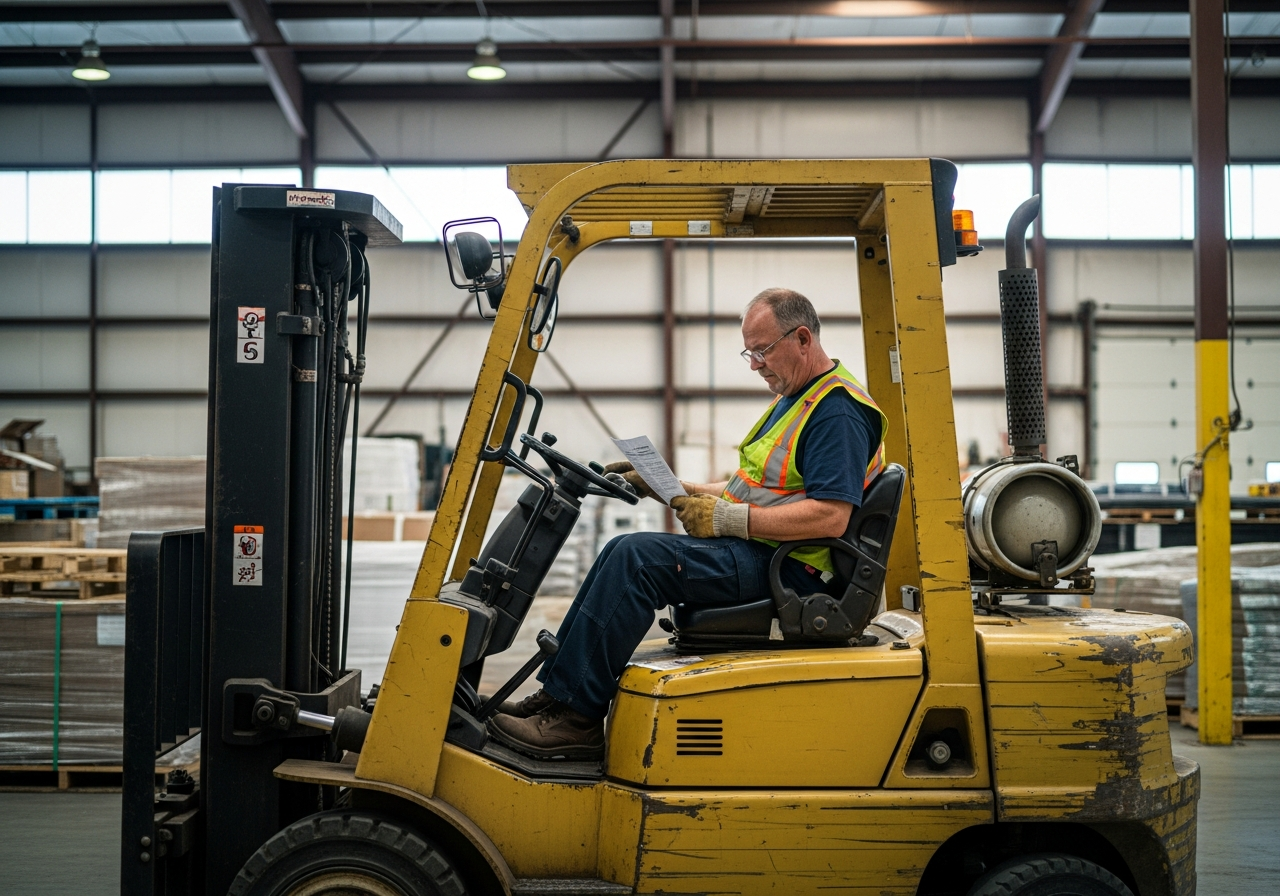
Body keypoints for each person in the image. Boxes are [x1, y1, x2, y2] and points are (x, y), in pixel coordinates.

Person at [488, 287, 888, 760]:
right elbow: (749, 489)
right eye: (750, 354)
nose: (756, 364)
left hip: (793, 569)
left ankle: (577, 720)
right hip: (767, 552)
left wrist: (728, 519)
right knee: (623, 550)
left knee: (636, 559)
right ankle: (559, 696)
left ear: (802, 338)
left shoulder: (835, 412)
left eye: (762, 351)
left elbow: (831, 515)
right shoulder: (799, 397)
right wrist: (674, 488)